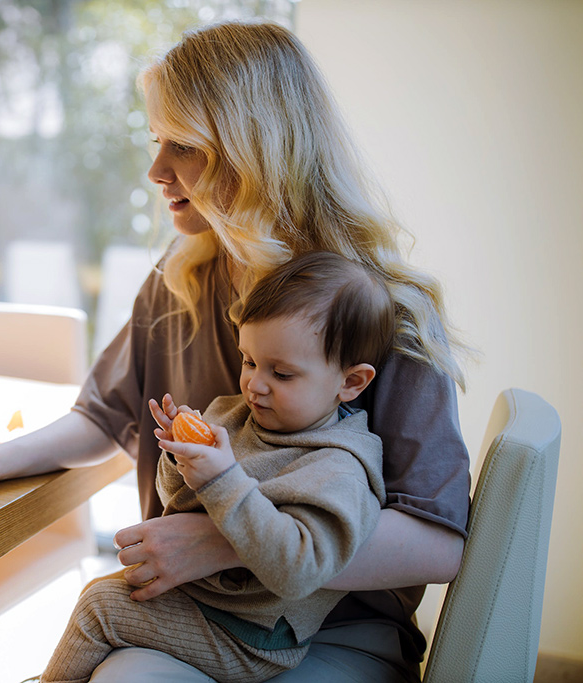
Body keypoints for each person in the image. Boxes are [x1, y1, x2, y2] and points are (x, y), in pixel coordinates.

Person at [0, 20, 470, 682]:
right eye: (156, 142)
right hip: (199, 608)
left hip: (333, 630)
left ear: (253, 150)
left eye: (185, 146)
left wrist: (224, 540)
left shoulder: (383, 311)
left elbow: (437, 542)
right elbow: (104, 415)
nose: (155, 170)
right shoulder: (182, 276)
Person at [40, 251, 393, 682]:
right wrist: (180, 457)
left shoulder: (339, 466)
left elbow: (300, 570)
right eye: (249, 361)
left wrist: (223, 480)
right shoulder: (234, 414)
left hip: (252, 635)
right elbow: (180, 503)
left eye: (281, 374)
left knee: (99, 609)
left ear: (351, 382)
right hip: (205, 602)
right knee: (103, 595)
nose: (254, 385)